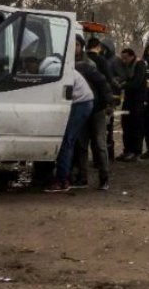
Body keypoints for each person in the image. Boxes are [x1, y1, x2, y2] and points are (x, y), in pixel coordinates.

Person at [45, 36, 95, 193]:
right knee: (68, 140)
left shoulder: (51, 69)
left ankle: (62, 180)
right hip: (81, 103)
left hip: (81, 104)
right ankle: (63, 176)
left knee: (67, 140)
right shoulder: (60, 68)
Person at [73, 39, 114, 191]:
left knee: (100, 144)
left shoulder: (88, 64)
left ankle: (104, 178)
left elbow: (102, 83)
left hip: (96, 109)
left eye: (76, 44)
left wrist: (109, 103)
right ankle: (83, 178)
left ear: (81, 47)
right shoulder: (67, 64)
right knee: (81, 145)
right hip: (81, 110)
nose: (73, 47)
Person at [118, 48, 147, 162]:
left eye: (126, 58)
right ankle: (127, 150)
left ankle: (136, 152)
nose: (124, 61)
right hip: (128, 100)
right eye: (122, 59)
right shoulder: (127, 66)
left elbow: (136, 83)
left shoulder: (140, 65)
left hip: (138, 101)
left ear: (131, 56)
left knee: (136, 126)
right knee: (126, 125)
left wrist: (124, 85)